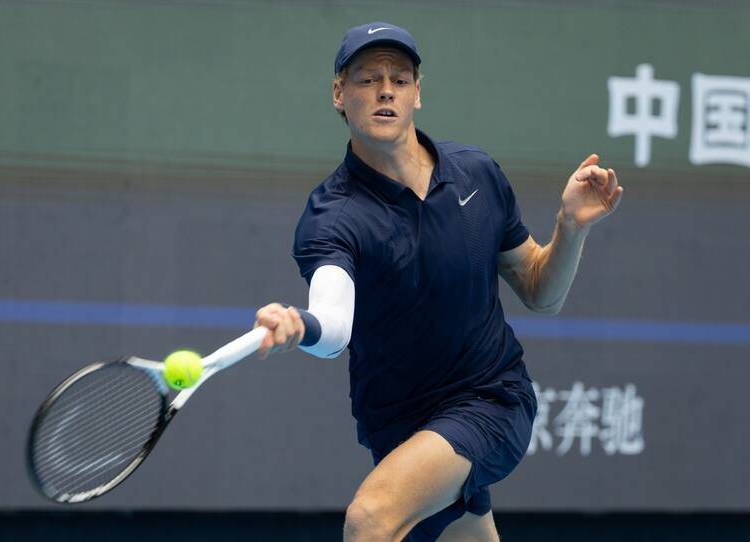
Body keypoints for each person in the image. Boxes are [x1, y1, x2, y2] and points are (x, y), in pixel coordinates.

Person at [253, 22, 623, 542]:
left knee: (371, 518)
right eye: (367, 79)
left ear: (417, 94)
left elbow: (540, 291)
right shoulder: (331, 216)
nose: (385, 90)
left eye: (399, 79)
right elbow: (334, 325)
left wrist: (571, 228)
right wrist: (304, 326)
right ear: (340, 94)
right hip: (400, 428)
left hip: (490, 398)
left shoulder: (476, 174)